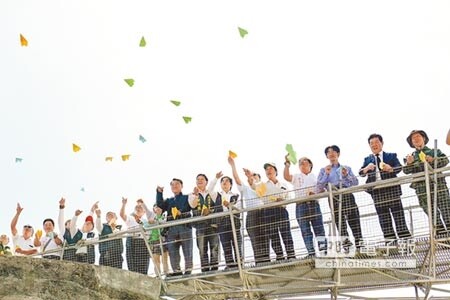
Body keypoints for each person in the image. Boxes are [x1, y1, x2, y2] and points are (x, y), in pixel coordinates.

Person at [359, 134, 411, 243]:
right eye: (371, 143)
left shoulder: (391, 156)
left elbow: (399, 167)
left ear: (382, 143)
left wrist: (391, 169)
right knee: (384, 220)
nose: (374, 145)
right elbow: (360, 173)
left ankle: (406, 242)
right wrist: (366, 168)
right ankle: (391, 244)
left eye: (376, 142)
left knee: (399, 217)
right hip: (377, 192)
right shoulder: (367, 159)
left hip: (391, 189)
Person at [403, 130, 450, 235]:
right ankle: (441, 237)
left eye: (418, 136)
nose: (416, 139)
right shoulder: (410, 157)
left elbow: (445, 161)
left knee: (447, 210)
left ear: (423, 138)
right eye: (413, 138)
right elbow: (405, 171)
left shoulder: (434, 151)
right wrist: (409, 163)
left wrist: (433, 160)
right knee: (431, 213)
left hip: (439, 185)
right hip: (422, 189)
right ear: (411, 142)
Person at [317, 145, 363, 252]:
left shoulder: (346, 168)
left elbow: (355, 182)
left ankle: (360, 245)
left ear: (338, 154)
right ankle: (347, 247)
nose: (331, 154)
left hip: (347, 193)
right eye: (329, 152)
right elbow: (319, 187)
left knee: (354, 219)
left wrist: (346, 175)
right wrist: (326, 174)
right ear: (327, 156)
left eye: (334, 152)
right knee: (339, 222)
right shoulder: (323, 170)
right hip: (333, 196)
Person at [284, 156, 326, 257]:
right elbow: (286, 177)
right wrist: (287, 165)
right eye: (301, 163)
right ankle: (311, 253)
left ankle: (324, 252)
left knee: (319, 229)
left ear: (310, 165)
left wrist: (315, 193)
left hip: (313, 204)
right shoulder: (297, 176)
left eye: (305, 162)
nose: (303, 164)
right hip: (301, 205)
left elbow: (322, 189)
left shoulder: (315, 177)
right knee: (305, 230)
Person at [228, 156, 267, 265]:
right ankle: (258, 262)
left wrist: (250, 177)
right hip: (251, 214)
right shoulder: (245, 188)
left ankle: (266, 261)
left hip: (262, 212)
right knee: (254, 239)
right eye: (251, 175)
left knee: (264, 238)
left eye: (255, 175)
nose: (252, 177)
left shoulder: (263, 186)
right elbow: (236, 179)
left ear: (259, 178)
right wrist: (233, 165)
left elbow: (254, 186)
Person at [253, 162, 295, 261]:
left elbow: (289, 197)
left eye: (271, 168)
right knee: (273, 235)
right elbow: (262, 198)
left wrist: (282, 201)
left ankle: (291, 255)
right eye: (266, 169)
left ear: (276, 171)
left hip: (282, 210)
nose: (268, 171)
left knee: (286, 233)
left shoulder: (284, 184)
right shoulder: (262, 185)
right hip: (268, 211)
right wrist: (275, 200)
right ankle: (279, 256)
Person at [156, 178, 195, 276]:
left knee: (187, 250)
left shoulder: (187, 197)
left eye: (177, 184)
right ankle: (177, 271)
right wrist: (159, 193)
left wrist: (181, 211)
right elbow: (160, 206)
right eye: (172, 185)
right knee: (173, 252)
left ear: (182, 186)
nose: (174, 186)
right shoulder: (169, 201)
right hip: (171, 228)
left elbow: (190, 206)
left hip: (184, 226)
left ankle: (188, 270)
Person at [188, 173, 220, 272]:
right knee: (202, 249)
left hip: (212, 224)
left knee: (214, 247)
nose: (200, 181)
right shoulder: (191, 194)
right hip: (200, 225)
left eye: (202, 179)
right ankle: (205, 269)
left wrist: (215, 178)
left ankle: (214, 268)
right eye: (198, 179)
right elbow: (192, 205)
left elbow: (216, 204)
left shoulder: (212, 193)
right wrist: (196, 195)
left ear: (206, 182)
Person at [213, 176, 243, 270]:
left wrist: (229, 206)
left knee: (237, 242)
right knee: (225, 244)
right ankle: (230, 264)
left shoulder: (236, 195)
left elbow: (239, 208)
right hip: (222, 222)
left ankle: (239, 263)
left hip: (234, 220)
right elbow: (209, 189)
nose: (224, 183)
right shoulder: (217, 195)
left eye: (227, 181)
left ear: (230, 184)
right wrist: (216, 178)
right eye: (222, 181)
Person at [120, 198, 152, 275]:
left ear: (144, 211)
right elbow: (122, 215)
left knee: (143, 265)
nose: (138, 209)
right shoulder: (131, 218)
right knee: (132, 265)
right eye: (136, 208)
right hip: (132, 241)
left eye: (140, 208)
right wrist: (124, 204)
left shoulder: (147, 221)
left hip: (143, 243)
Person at [147, 204, 170, 276]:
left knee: (165, 258)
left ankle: (166, 273)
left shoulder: (164, 216)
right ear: (153, 209)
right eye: (156, 207)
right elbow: (148, 223)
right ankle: (158, 275)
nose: (158, 208)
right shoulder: (151, 217)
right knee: (156, 260)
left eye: (159, 207)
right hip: (154, 240)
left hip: (163, 239)